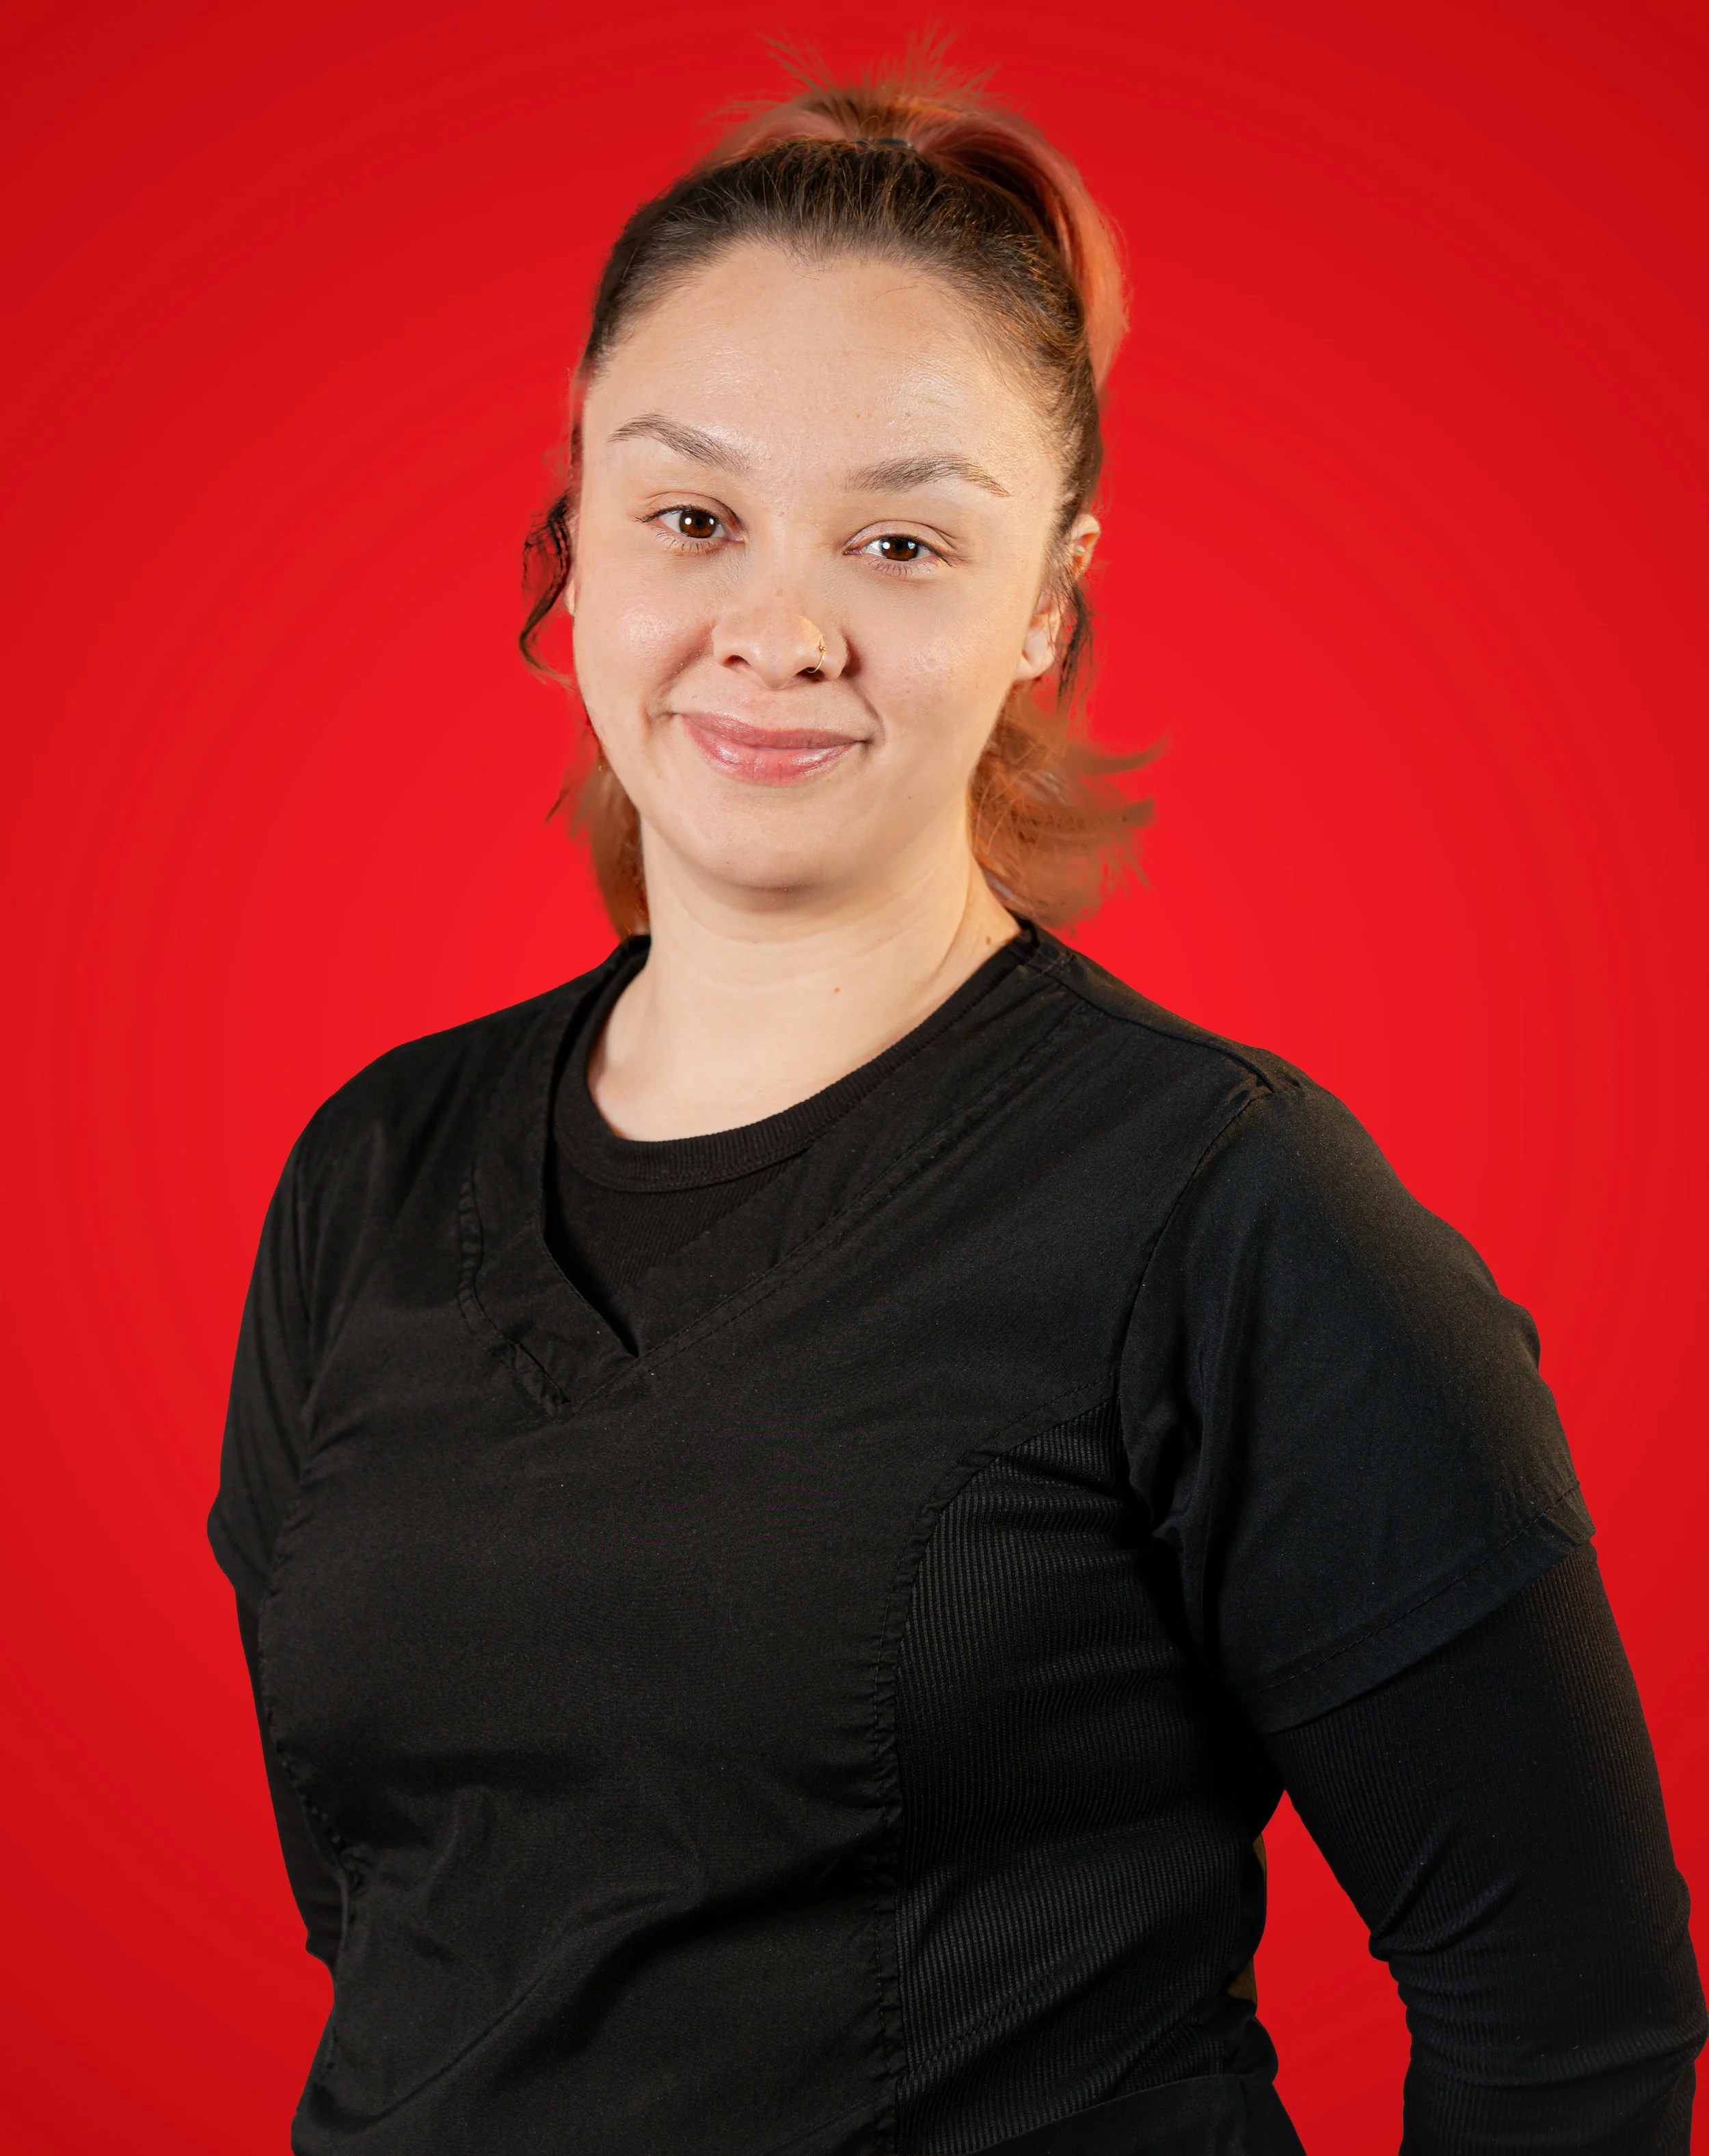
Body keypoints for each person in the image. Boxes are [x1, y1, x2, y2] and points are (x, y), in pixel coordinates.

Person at [210, 63, 1704, 2156]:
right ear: (582, 545)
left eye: (902, 539)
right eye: (692, 516)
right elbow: (409, 1919)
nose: (783, 628)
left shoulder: (1226, 1212)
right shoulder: (371, 1173)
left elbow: (1567, 2010)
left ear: (1048, 605)